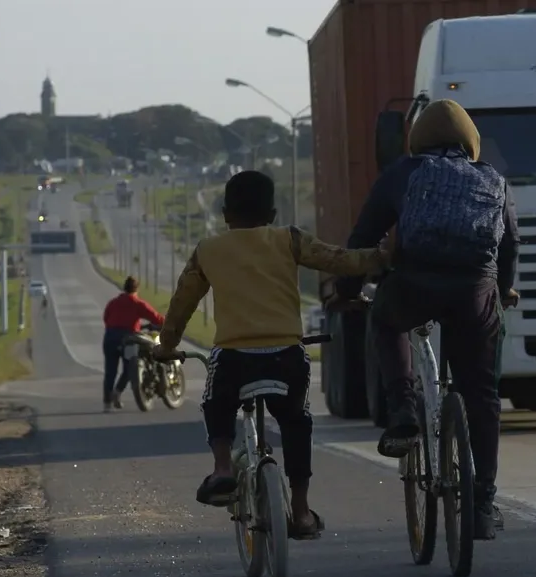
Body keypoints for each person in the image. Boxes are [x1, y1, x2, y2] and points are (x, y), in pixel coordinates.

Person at [151, 170, 389, 539]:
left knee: (216, 401)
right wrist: (384, 255)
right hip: (287, 356)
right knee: (296, 421)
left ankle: (222, 470)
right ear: (274, 214)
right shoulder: (289, 240)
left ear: (226, 213)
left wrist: (166, 346)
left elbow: (182, 304)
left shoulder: (208, 250)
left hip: (234, 358)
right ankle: (300, 509)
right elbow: (341, 259)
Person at [335, 99, 521, 541]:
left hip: (415, 283)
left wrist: (347, 292)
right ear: (470, 141)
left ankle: (402, 407)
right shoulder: (493, 178)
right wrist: (503, 288)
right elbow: (510, 243)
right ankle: (482, 503)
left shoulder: (403, 172)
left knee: (385, 318)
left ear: (417, 138)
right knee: (482, 395)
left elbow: (364, 238)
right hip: (475, 289)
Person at [102, 276, 165, 413]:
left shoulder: (113, 303)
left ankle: (107, 403)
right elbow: (156, 317)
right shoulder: (137, 303)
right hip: (128, 339)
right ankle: (117, 392)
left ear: (124, 288)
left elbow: (106, 318)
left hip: (110, 337)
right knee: (130, 368)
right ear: (137, 289)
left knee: (110, 371)